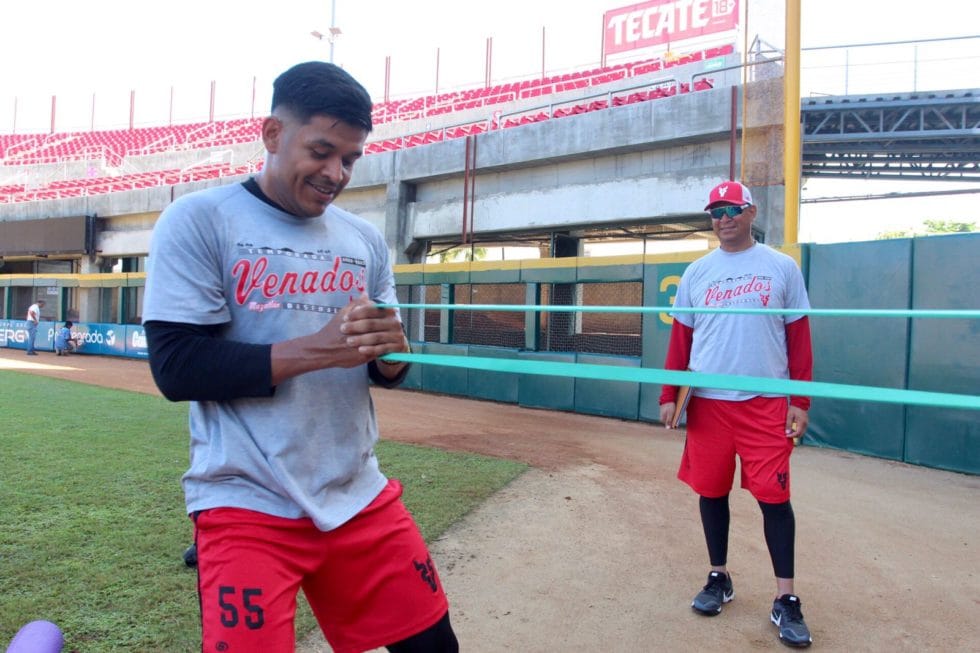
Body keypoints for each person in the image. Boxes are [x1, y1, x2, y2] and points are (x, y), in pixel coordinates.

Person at [142, 62, 458, 653]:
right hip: (244, 501)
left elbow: (384, 369)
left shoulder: (362, 239)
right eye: (321, 151)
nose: (336, 173)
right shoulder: (200, 219)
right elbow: (177, 367)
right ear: (271, 135)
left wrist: (393, 352)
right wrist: (318, 349)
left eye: (351, 158)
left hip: (357, 491)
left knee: (435, 649)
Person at [659, 180, 814, 648]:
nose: (722, 218)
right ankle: (718, 576)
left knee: (774, 499)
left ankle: (785, 598)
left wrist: (799, 401)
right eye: (715, 211)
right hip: (708, 401)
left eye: (731, 208)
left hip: (765, 403)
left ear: (751, 212)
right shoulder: (697, 272)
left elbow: (799, 338)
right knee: (711, 491)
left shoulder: (781, 267)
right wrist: (670, 393)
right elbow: (680, 340)